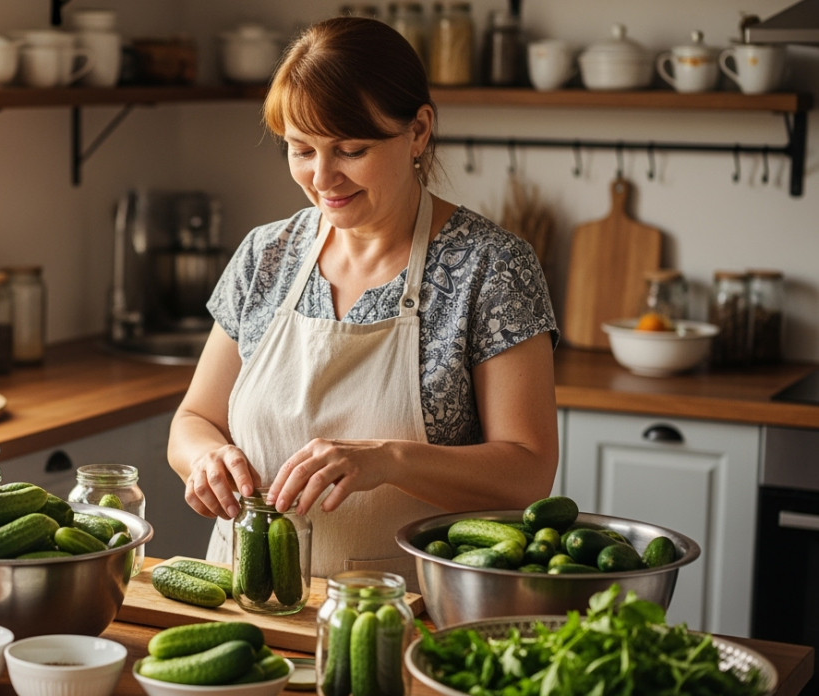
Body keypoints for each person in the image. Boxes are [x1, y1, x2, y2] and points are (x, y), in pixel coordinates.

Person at [166, 16, 559, 582]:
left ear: (419, 130)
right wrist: (204, 459)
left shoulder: (493, 268)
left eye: (350, 149)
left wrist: (387, 460)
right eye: (301, 150)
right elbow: (194, 417)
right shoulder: (266, 255)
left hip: (408, 610)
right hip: (243, 601)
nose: (323, 177)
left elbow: (527, 473)